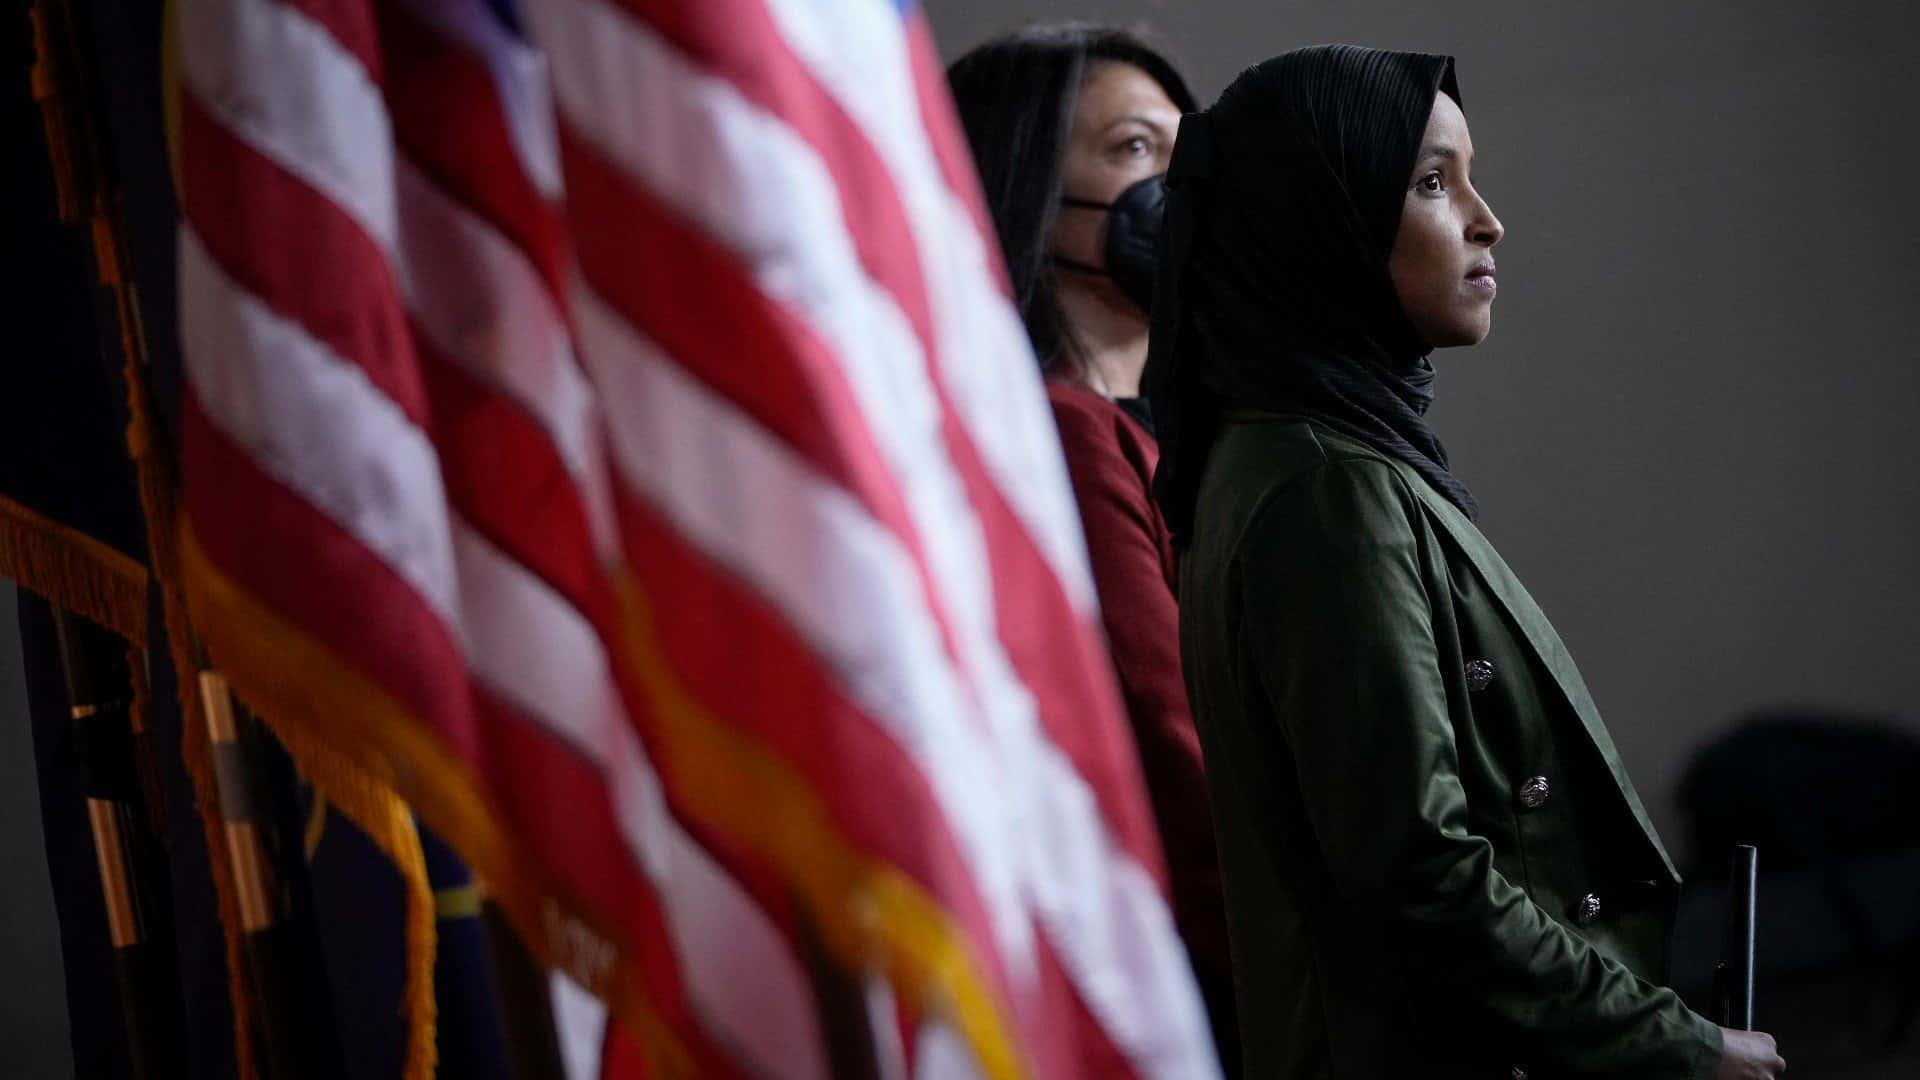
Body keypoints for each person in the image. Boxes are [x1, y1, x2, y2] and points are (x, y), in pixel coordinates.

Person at [1145, 44, 1786, 1078]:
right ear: (1325, 222)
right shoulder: (1325, 488)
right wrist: (1673, 1045)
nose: (1487, 219)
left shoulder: (1299, 454)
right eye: (1434, 183)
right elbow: (1418, 874)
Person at [947, 24, 1240, 1070]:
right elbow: (1178, 743)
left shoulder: (1185, 428)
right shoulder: (1064, 435)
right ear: (1019, 179)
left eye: (1187, 147)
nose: (1185, 182)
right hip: (1214, 980)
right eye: (1133, 150)